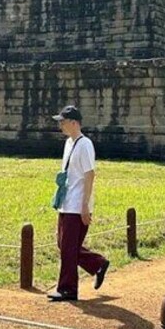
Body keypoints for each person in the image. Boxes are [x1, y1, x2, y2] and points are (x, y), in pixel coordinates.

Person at [47, 105, 110, 302]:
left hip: (77, 203)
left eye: (63, 122)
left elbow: (89, 175)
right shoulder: (69, 143)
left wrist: (85, 205)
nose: (61, 126)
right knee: (63, 244)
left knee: (68, 247)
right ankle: (98, 263)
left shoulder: (85, 145)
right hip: (67, 201)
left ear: (74, 123)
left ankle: (68, 289)